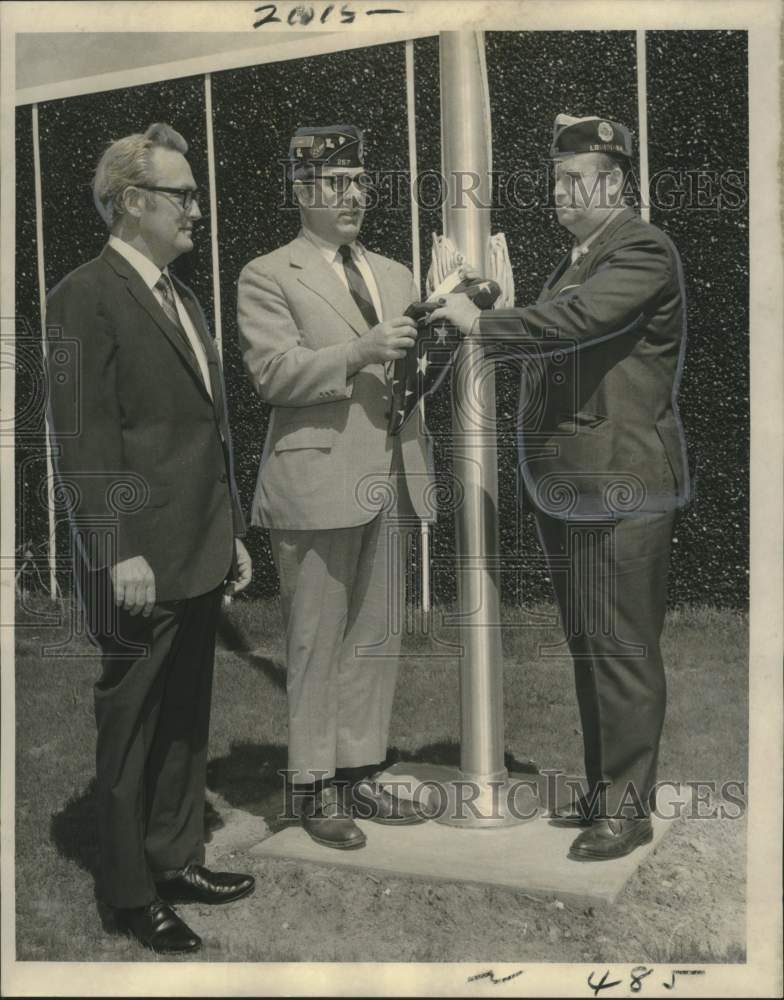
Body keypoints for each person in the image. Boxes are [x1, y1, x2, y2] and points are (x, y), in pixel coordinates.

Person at [430, 114, 690, 861]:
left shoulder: (639, 247)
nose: (561, 192)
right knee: (589, 644)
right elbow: (561, 323)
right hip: (576, 485)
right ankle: (609, 788)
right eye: (557, 179)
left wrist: (483, 323)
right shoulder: (579, 258)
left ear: (615, 184)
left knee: (622, 649)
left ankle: (628, 808)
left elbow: (579, 320)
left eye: (576, 181)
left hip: (620, 486)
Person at [46, 123, 255, 953]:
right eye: (184, 196)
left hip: (197, 547)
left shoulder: (181, 295)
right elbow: (81, 434)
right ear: (133, 203)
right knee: (132, 727)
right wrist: (115, 546)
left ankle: (175, 856)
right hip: (132, 560)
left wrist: (229, 528)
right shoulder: (81, 295)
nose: (198, 210)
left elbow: (204, 429)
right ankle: (131, 894)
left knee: (184, 718)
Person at [237, 124, 434, 850]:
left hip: (391, 469)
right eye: (332, 183)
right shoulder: (268, 274)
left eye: (358, 181)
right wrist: (360, 350)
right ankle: (311, 785)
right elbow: (272, 374)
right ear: (300, 190)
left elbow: (410, 375)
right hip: (315, 476)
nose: (351, 195)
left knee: (374, 636)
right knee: (316, 639)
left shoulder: (397, 272)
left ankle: (359, 770)